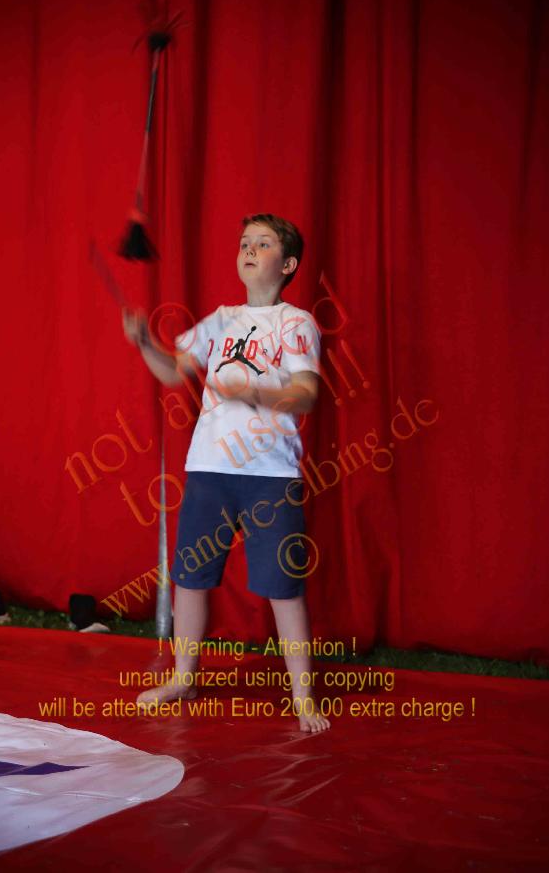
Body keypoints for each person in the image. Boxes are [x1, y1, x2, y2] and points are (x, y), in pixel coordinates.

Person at [123, 213, 330, 732]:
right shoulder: (220, 320)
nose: (250, 250)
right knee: (191, 579)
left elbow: (307, 393)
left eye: (263, 243)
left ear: (288, 264)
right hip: (209, 468)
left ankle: (303, 697)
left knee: (283, 586)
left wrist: (253, 392)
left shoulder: (296, 323)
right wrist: (145, 343)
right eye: (244, 243)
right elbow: (175, 373)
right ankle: (184, 678)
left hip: (270, 474)